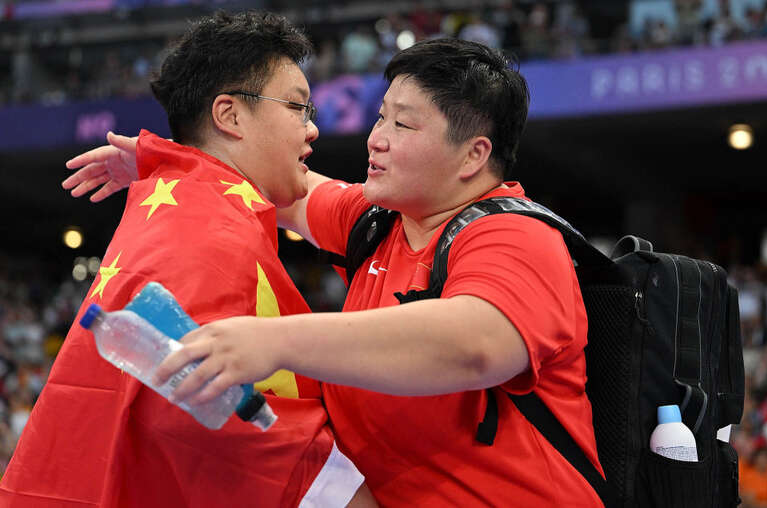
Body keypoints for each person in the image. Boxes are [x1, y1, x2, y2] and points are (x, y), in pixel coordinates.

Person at [62, 38, 604, 506]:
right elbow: (277, 182)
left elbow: (475, 345)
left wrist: (271, 341)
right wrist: (172, 160)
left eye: (402, 124)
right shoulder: (376, 221)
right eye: (381, 116)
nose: (376, 138)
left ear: (472, 156)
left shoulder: (515, 235)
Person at [0, 11, 372, 508]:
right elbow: (209, 416)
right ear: (230, 115)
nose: (313, 130)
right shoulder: (214, 232)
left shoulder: (186, 205)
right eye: (296, 107)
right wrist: (347, 495)